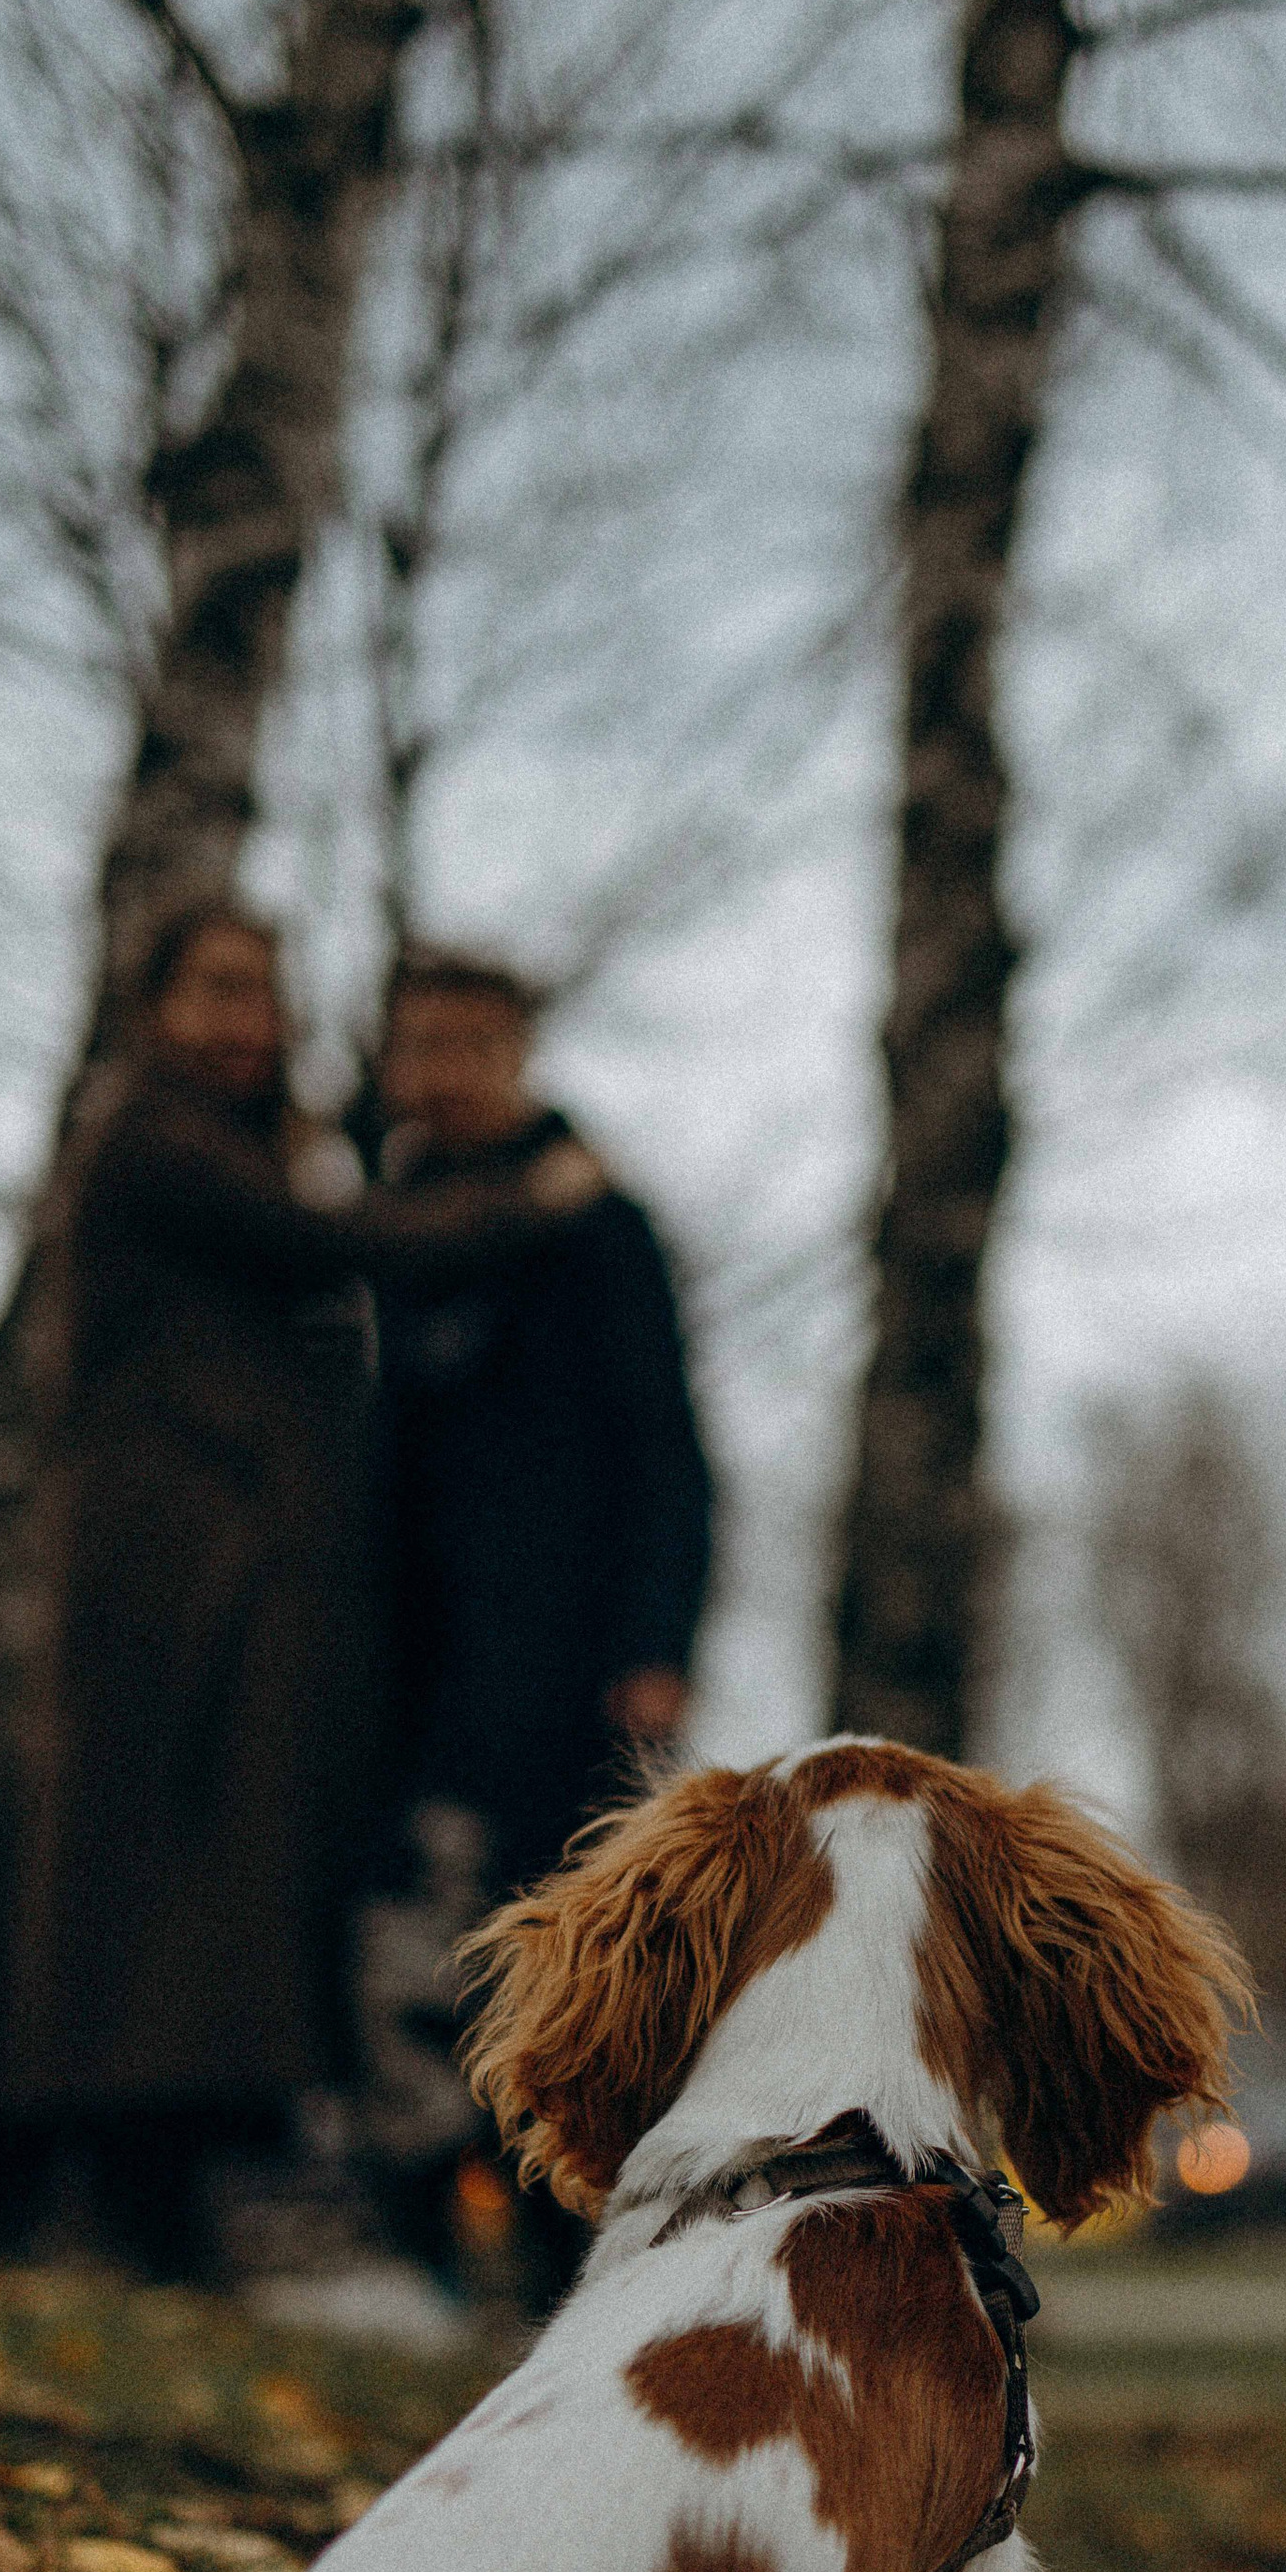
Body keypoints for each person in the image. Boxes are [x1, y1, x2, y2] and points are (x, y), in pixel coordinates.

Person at [0, 907, 605, 2285]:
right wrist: (532, 1198)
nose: (246, 1022)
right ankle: (133, 2193)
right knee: (159, 1883)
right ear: (153, 1004)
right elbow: (338, 1241)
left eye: (264, 994)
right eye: (216, 989)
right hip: (173, 1584)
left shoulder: (241, 1140)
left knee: (223, 1892)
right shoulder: (155, 1141)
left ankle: (180, 2196)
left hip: (239, 1578)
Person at [365, 948, 712, 2300]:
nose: (442, 1072)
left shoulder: (599, 1226)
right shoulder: (393, 1219)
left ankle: (579, 2259)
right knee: (411, 1949)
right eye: (420, 1044)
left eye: (470, 1043)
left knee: (566, 1961)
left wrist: (656, 1644)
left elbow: (665, 1447)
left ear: (517, 1052)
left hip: (569, 1664)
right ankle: (423, 2250)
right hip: (410, 1664)